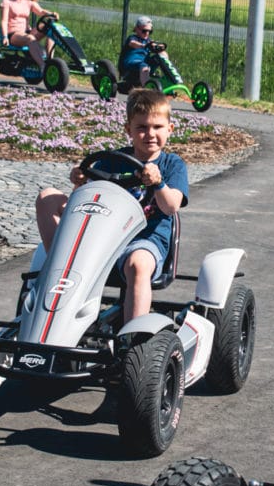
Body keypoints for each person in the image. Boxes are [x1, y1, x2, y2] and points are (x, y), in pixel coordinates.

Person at [35, 89, 188, 323]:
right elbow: (87, 202)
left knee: (138, 264)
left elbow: (171, 207)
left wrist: (159, 183)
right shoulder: (112, 160)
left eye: (157, 127)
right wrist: (80, 182)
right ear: (129, 130)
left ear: (170, 129)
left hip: (144, 241)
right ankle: (57, 266)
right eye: (142, 128)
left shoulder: (172, 164)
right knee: (47, 196)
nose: (150, 134)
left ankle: (134, 340)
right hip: (103, 239)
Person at [0, 0, 54, 70]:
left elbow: (41, 11)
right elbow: (4, 21)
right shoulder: (7, 1)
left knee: (51, 28)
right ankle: (43, 66)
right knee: (30, 38)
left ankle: (51, 61)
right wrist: (4, 37)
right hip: (13, 35)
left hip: (26, 33)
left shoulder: (29, 2)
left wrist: (52, 14)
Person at [119, 15, 161, 87]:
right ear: (137, 29)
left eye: (149, 31)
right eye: (144, 31)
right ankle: (146, 88)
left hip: (144, 63)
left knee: (162, 56)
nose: (147, 33)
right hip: (131, 64)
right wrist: (143, 45)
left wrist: (159, 47)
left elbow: (154, 45)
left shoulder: (149, 41)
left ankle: (169, 82)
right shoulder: (133, 38)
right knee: (144, 65)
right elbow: (132, 43)